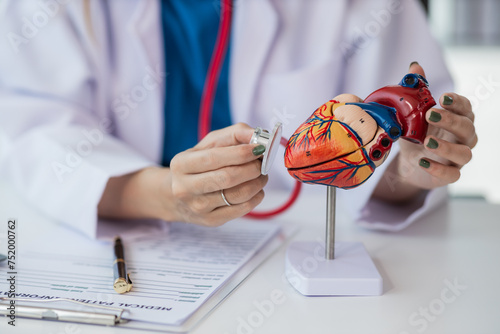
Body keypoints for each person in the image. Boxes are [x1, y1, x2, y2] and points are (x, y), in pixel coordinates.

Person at [0, 0, 477, 238]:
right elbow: (35, 130)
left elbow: (396, 169)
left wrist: (408, 172)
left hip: (305, 249)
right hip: (128, 244)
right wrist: (167, 195)